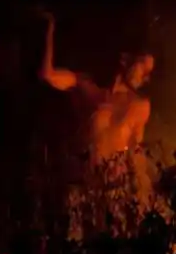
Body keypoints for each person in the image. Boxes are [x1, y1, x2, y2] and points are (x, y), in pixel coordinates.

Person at [38, 11, 154, 202]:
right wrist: (49, 30)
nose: (146, 76)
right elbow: (47, 74)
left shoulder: (140, 105)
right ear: (125, 60)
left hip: (114, 189)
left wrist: (143, 192)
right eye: (144, 67)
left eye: (150, 71)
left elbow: (136, 152)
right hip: (81, 184)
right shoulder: (88, 87)